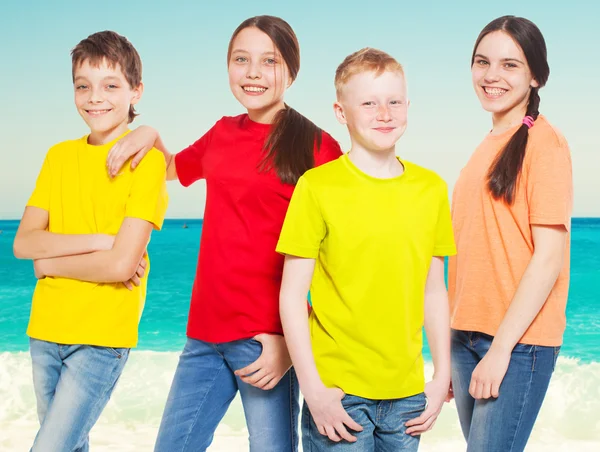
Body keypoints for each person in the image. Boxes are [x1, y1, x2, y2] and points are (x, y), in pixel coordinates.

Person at [105, 15, 343, 452]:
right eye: (241, 59)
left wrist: (292, 347)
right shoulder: (221, 132)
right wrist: (149, 132)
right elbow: (172, 167)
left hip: (267, 342)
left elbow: (341, 261)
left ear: (291, 69)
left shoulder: (318, 146)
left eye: (268, 61)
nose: (252, 72)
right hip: (203, 336)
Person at [277, 47, 455, 451]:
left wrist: (440, 375)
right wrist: (314, 390)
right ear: (341, 112)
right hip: (340, 394)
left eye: (394, 101)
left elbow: (433, 290)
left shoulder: (431, 190)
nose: (384, 113)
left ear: (408, 106)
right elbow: (291, 297)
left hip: (408, 396)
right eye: (369, 103)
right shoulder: (317, 188)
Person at [12, 30, 168, 451]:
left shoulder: (147, 163)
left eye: (110, 86)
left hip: (101, 337)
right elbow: (24, 243)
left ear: (136, 92)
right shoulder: (58, 156)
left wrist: (50, 263)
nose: (94, 97)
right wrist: (102, 240)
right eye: (83, 86)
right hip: (44, 330)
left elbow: (120, 267)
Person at [448, 15, 572, 452]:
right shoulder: (486, 146)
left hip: (517, 344)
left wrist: (500, 351)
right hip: (464, 337)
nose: (491, 75)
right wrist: (448, 340)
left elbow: (549, 258)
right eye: (482, 62)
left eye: (510, 65)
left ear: (536, 75)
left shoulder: (546, 145)